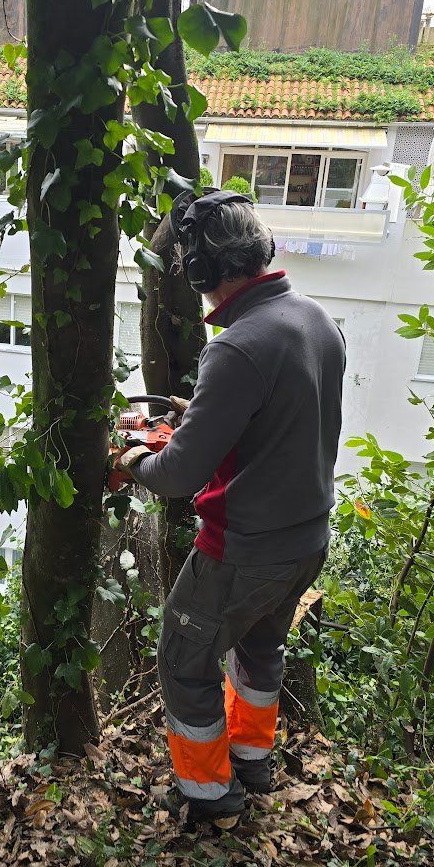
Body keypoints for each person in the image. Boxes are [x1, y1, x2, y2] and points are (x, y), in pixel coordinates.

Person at [113, 189, 346, 827]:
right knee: (260, 648)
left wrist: (135, 464)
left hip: (246, 548)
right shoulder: (316, 321)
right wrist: (199, 419)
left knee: (183, 660)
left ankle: (210, 796)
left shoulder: (237, 346)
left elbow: (181, 474)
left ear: (202, 272)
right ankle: (252, 759)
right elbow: (281, 422)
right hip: (306, 540)